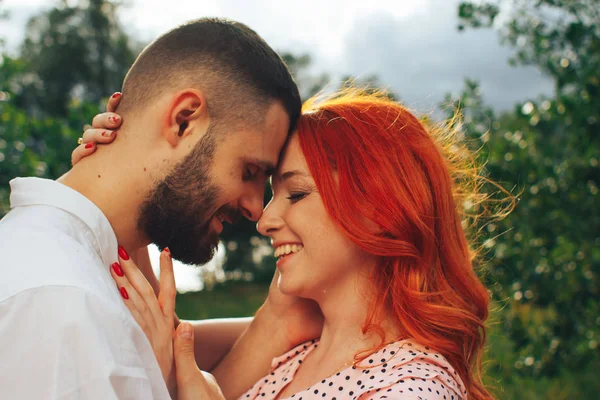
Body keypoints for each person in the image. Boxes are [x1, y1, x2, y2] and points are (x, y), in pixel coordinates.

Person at [83, 88, 505, 399]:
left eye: (297, 194)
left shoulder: (410, 390)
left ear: (378, 207)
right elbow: (156, 336)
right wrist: (119, 173)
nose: (264, 220)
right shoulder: (300, 346)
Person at [0, 17, 323, 399]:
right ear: (184, 120)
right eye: (249, 171)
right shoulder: (65, 305)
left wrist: (283, 318)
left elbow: (189, 370)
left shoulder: (83, 279)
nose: (257, 210)